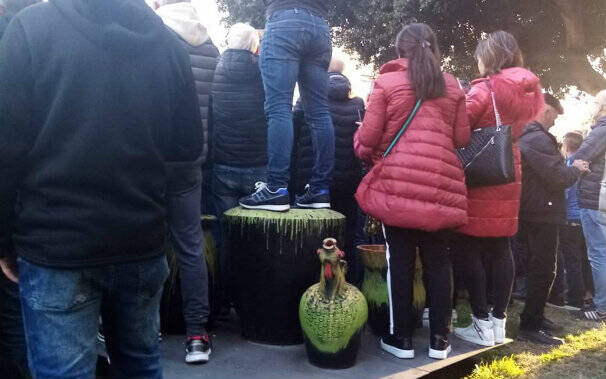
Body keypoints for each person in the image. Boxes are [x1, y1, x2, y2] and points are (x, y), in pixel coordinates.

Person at [0, 0, 203, 377]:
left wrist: (4, 243)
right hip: (140, 242)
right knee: (141, 366)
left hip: (56, 246)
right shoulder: (170, 45)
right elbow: (187, 152)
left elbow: (6, 151)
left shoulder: (30, 29)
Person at [355, 23, 470, 360]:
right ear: (433, 47)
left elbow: (370, 139)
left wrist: (360, 144)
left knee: (400, 261)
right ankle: (440, 341)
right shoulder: (452, 85)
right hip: (441, 184)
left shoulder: (388, 81)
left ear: (399, 49)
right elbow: (462, 138)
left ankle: (400, 338)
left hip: (399, 185)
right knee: (439, 261)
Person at [454, 31, 544, 347]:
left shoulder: (487, 88)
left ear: (489, 57)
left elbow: (460, 125)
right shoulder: (529, 90)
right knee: (501, 246)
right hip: (509, 168)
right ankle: (498, 323)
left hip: (481, 169)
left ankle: (479, 321)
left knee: (470, 247)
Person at [155, 0, 218, 364]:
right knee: (190, 245)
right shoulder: (210, 45)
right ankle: (197, 333)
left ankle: (146, 324)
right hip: (193, 156)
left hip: (152, 154)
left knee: (146, 241)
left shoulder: (153, 34)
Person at [239, 0, 335, 211]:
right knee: (320, 112)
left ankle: (276, 189)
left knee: (279, 107)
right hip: (320, 24)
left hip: (284, 19)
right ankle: (320, 190)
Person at [515, 94, 587, 345]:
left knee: (540, 268)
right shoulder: (538, 138)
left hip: (532, 209)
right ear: (544, 110)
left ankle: (536, 316)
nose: (555, 122)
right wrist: (576, 168)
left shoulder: (525, 134)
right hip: (541, 212)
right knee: (544, 269)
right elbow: (558, 177)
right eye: (554, 116)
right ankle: (531, 324)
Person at [292, 57, 365, 283]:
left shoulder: (307, 100)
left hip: (311, 182)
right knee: (348, 233)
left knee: (310, 234)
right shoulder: (358, 105)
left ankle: (310, 284)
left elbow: (294, 139)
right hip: (347, 181)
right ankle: (348, 283)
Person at [211, 23, 266, 218]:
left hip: (224, 162)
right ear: (254, 45)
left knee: (226, 230)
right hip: (259, 163)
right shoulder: (265, 72)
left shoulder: (215, 69)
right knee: (258, 232)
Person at [554, 132, 598, 319]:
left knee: (571, 260)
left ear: (565, 145)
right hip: (584, 216)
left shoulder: (570, 164)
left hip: (569, 217)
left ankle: (574, 298)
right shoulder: (588, 164)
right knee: (585, 258)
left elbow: (564, 193)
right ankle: (589, 293)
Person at [574, 90, 606, 321]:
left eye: (595, 102)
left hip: (596, 199)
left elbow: (579, 158)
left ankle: (602, 306)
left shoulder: (601, 131)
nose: (591, 106)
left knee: (598, 253)